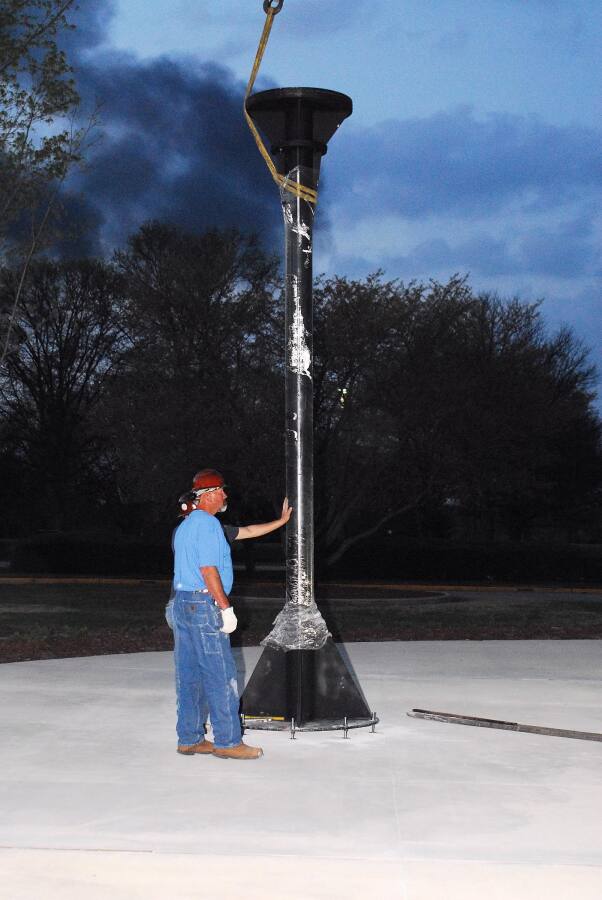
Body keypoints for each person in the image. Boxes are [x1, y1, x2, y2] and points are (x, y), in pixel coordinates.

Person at [170, 468, 292, 760]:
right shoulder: (209, 526)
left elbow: (247, 531)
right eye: (221, 490)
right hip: (203, 606)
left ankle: (189, 738)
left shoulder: (185, 526)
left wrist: (281, 521)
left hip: (181, 605)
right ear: (209, 494)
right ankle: (227, 741)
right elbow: (208, 570)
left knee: (189, 676)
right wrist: (225, 608)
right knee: (220, 674)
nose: (225, 495)